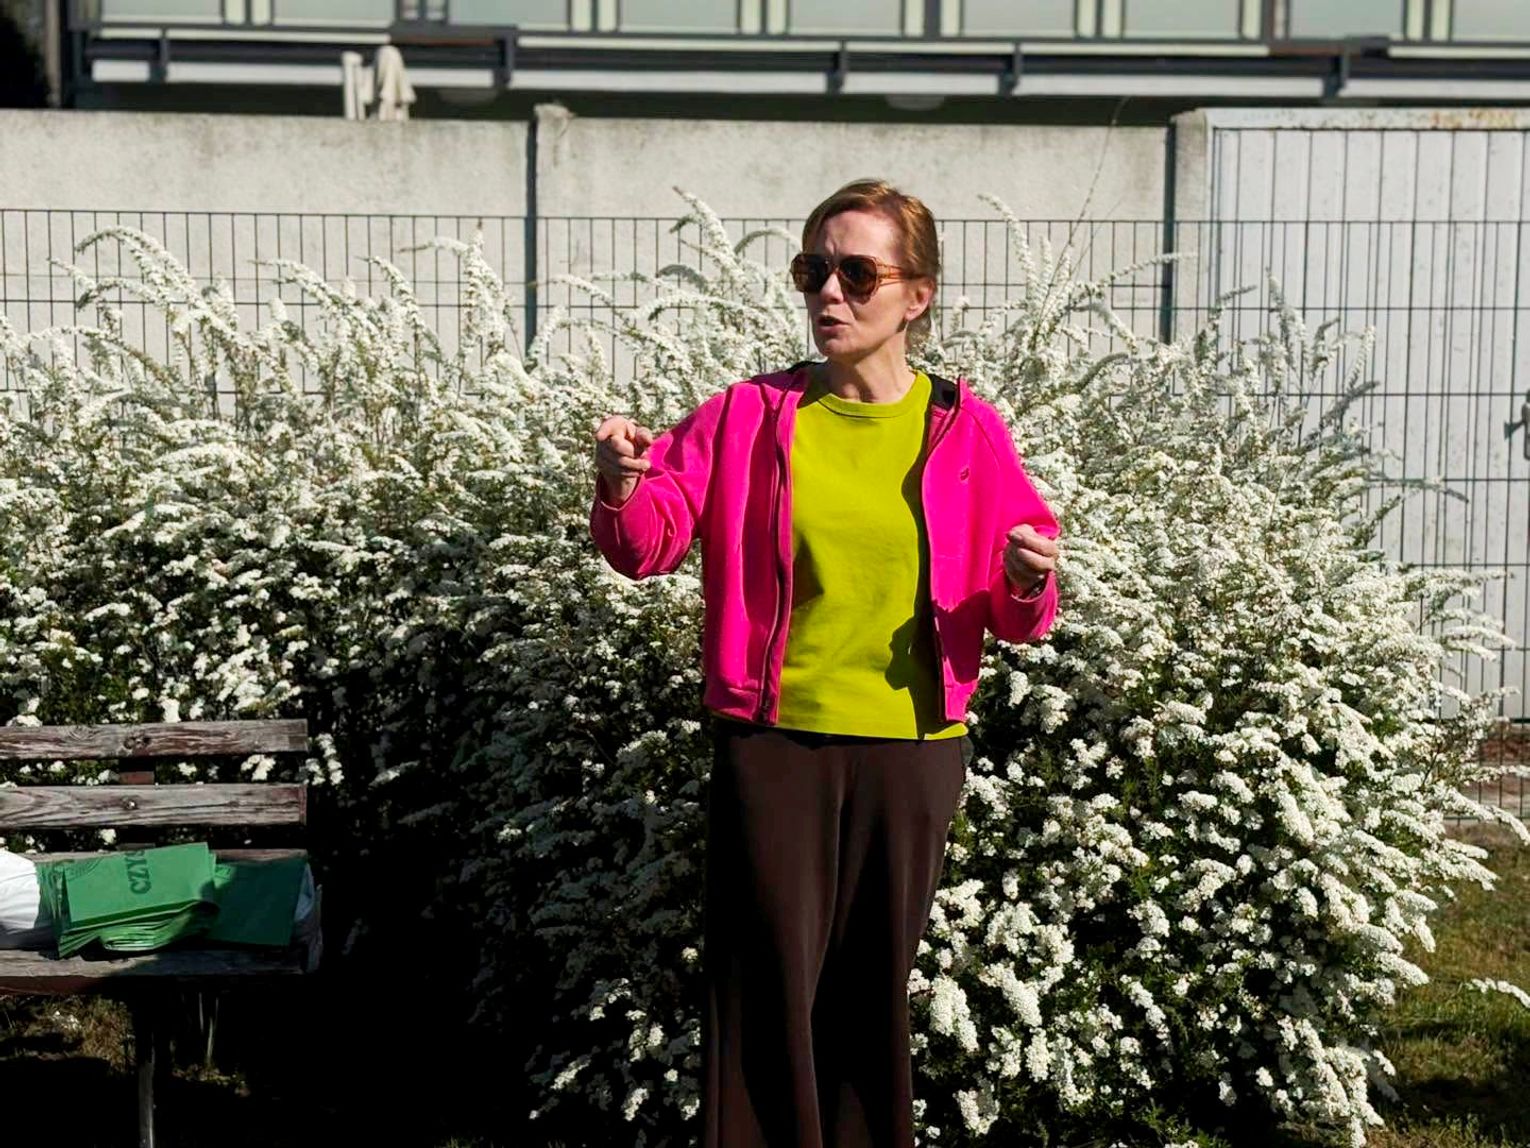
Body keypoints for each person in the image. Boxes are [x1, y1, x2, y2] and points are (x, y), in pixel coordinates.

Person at [589, 178, 1060, 1148]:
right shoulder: (745, 416)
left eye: (857, 273)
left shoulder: (965, 428)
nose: (829, 293)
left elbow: (1021, 608)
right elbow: (648, 543)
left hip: (912, 751)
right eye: (813, 270)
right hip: (774, 745)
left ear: (916, 295)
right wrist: (621, 487)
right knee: (760, 996)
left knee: (867, 1004)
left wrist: (1023, 578)